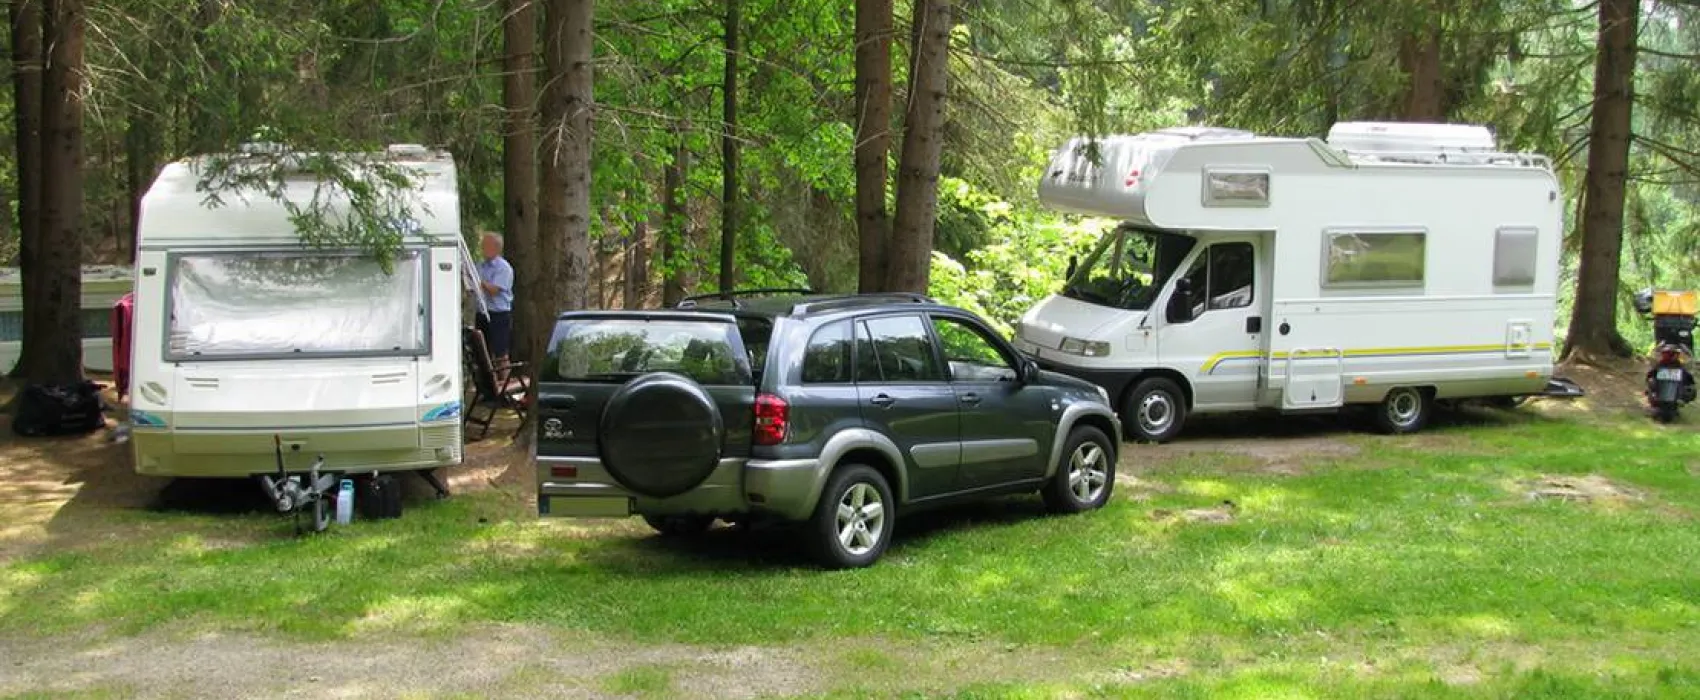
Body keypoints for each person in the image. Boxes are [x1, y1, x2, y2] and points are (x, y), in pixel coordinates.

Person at [476, 231, 515, 365]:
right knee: (482, 351)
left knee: (500, 353)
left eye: (486, 245)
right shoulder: (480, 265)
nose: (483, 248)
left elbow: (494, 290)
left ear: (496, 248)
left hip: (498, 314)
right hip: (482, 312)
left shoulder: (504, 268)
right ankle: (488, 377)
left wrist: (478, 282)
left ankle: (505, 377)